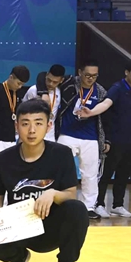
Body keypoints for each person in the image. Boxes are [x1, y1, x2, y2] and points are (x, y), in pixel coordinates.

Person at [0, 99, 89, 262]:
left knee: (77, 209)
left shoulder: (62, 154)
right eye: (25, 124)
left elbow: (71, 194)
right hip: (19, 225)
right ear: (16, 126)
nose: (31, 130)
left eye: (38, 123)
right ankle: (18, 258)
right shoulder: (3, 159)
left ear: (49, 126)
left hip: (51, 226)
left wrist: (53, 194)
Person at [37, 60, 110, 219]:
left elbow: (106, 116)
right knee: (58, 169)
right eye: (87, 75)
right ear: (80, 72)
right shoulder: (69, 82)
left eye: (94, 76)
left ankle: (88, 207)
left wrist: (107, 139)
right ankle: (56, 203)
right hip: (67, 134)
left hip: (91, 137)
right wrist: (43, 92)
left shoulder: (100, 91)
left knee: (90, 174)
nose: (91, 79)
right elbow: (43, 76)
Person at [75, 64, 131, 217]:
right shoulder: (117, 88)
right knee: (106, 172)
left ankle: (118, 205)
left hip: (129, 140)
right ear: (127, 72)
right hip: (115, 138)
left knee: (124, 173)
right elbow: (106, 104)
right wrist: (91, 112)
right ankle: (99, 203)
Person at [0, 66, 31, 161]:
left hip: (11, 139)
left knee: (9, 168)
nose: (20, 87)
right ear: (11, 77)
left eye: (22, 84)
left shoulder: (18, 93)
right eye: (18, 83)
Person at [24, 65, 65, 142]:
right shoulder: (33, 90)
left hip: (50, 135)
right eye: (49, 80)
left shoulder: (60, 92)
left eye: (55, 82)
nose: (51, 84)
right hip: (33, 132)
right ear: (46, 75)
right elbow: (23, 110)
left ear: (61, 80)